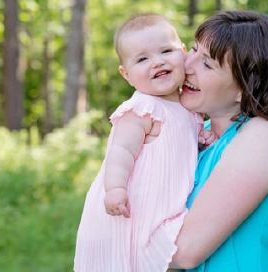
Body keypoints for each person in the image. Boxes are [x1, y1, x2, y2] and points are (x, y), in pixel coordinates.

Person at [168, 10, 268, 271]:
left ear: (244, 86)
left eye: (207, 64)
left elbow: (183, 251)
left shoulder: (265, 137)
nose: (186, 66)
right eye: (194, 50)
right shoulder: (199, 131)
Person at [74, 13, 214, 272]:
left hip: (168, 204)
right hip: (137, 207)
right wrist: (115, 188)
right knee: (140, 258)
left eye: (165, 51)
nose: (157, 62)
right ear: (126, 74)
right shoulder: (142, 108)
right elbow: (121, 151)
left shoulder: (189, 107)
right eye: (142, 58)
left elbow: (177, 145)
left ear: (183, 52)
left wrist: (200, 139)